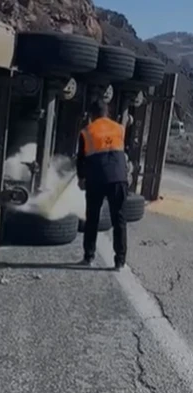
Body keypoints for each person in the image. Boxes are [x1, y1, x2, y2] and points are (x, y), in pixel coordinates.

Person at [76, 99, 128, 271]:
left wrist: (81, 178)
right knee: (119, 219)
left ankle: (88, 257)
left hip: (96, 179)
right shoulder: (120, 128)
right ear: (108, 112)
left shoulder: (87, 132)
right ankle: (120, 261)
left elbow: (81, 159)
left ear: (92, 115)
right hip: (118, 179)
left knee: (92, 218)